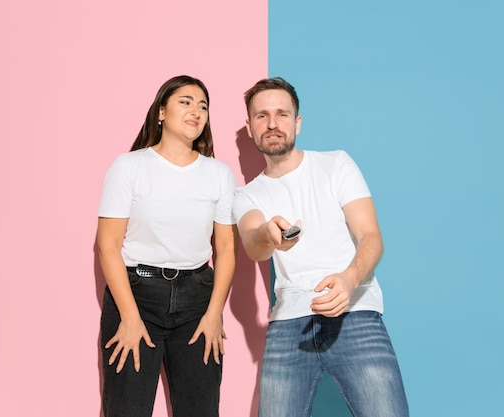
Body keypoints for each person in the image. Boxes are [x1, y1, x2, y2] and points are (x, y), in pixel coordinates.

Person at [233, 77, 409, 417]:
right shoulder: (247, 195)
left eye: (282, 114)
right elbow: (253, 242)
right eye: (262, 116)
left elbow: (371, 236)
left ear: (297, 122)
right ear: (250, 127)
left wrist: (349, 280)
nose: (272, 124)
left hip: (355, 314)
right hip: (288, 326)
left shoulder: (336, 164)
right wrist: (269, 235)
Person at [97, 75, 237, 417]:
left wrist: (214, 313)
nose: (196, 111)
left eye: (203, 105)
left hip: (197, 301)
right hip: (136, 296)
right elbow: (108, 246)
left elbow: (227, 250)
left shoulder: (218, 174)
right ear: (161, 112)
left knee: (201, 411)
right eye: (185, 102)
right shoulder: (129, 167)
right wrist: (129, 317)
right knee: (126, 410)